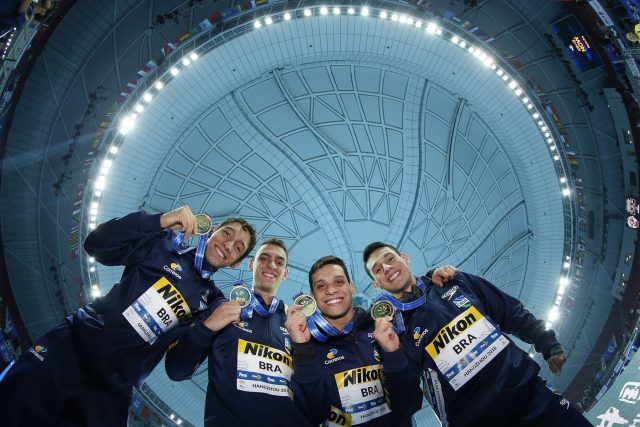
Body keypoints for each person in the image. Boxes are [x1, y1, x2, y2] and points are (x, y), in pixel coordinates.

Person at [0, 205, 256, 427]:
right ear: (211, 231)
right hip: (70, 348)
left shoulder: (212, 305)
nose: (228, 245)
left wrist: (207, 328)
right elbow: (95, 245)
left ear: (236, 264)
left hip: (112, 389)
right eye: (227, 233)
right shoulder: (163, 244)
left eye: (238, 247)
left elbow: (177, 370)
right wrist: (158, 220)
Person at [362, 241, 592, 427]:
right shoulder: (394, 333)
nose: (387, 268)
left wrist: (546, 342)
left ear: (404, 258)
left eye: (390, 259)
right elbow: (408, 400)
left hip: (531, 394)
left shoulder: (455, 281)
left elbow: (508, 310)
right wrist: (391, 356)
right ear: (376, 285)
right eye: (378, 270)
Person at [285, 255, 449, 426]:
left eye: (339, 282)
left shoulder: (384, 328)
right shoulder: (307, 347)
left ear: (351, 287)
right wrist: (302, 350)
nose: (331, 290)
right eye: (321, 286)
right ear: (312, 296)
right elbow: (312, 416)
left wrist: (393, 355)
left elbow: (411, 404)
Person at [165, 238, 311, 426]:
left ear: (285, 273)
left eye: (279, 262)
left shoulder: (295, 325)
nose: (272, 265)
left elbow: (310, 389)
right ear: (251, 265)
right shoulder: (221, 309)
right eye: (264, 258)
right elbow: (176, 370)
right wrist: (206, 328)